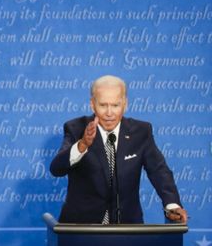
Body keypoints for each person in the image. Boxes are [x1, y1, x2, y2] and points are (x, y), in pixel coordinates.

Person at [49, 75, 187, 225]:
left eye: (115, 105)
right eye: (103, 105)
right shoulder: (76, 128)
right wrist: (82, 145)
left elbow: (159, 171)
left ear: (125, 104)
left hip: (127, 226)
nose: (109, 113)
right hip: (81, 226)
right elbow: (57, 169)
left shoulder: (141, 132)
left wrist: (172, 205)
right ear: (92, 104)